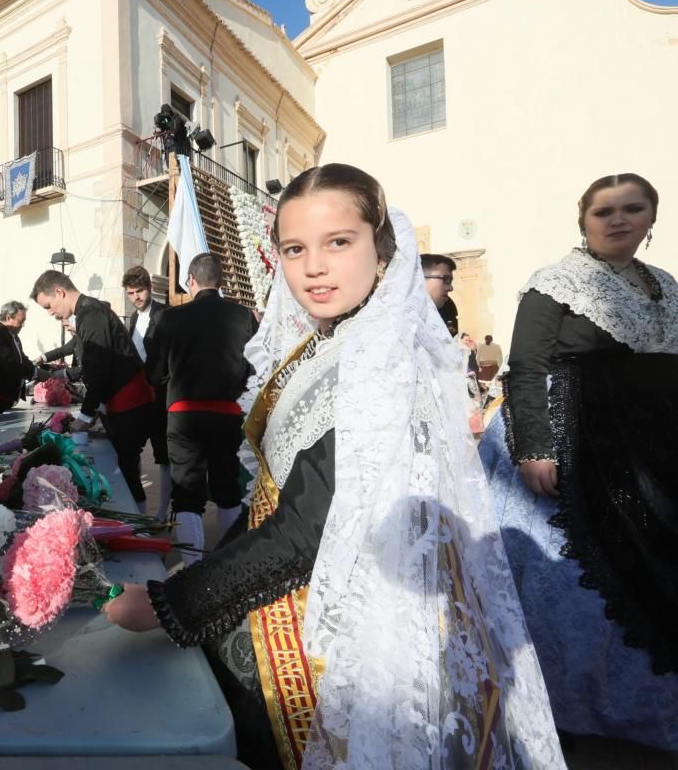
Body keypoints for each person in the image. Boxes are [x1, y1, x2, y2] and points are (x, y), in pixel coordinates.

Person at [104, 164, 563, 769]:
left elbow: (304, 532)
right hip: (289, 592)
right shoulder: (334, 339)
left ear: (382, 247)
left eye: (338, 242)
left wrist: (174, 604)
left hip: (330, 626)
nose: (313, 266)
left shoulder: (381, 365)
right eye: (295, 249)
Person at [479, 173, 678, 750]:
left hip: (644, 444)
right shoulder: (556, 283)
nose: (618, 221)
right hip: (567, 432)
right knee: (573, 578)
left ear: (651, 217)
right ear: (583, 221)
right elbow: (526, 366)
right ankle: (565, 709)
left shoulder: (663, 286)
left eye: (632, 209)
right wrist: (535, 448)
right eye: (604, 212)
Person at [145, 253, 257, 561]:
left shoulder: (170, 317)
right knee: (227, 488)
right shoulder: (243, 315)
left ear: (191, 281)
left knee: (187, 493)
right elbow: (255, 366)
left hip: (184, 413)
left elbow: (154, 373)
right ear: (219, 282)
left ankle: (193, 567)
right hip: (228, 413)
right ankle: (229, 562)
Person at [31, 271, 152, 506]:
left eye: (48, 305)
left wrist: (86, 415)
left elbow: (99, 368)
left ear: (59, 292)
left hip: (129, 401)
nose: (50, 312)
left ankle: (139, 529)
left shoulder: (91, 313)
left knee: (127, 471)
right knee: (125, 467)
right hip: (120, 400)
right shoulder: (87, 312)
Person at [123, 265, 172, 520]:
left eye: (139, 291)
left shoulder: (165, 315)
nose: (136, 297)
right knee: (134, 449)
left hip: (160, 394)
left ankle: (163, 511)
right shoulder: (132, 318)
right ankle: (139, 504)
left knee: (163, 455)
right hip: (138, 394)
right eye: (131, 293)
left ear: (150, 289)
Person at [0, 300, 35, 413]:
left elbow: (22, 359)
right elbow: (9, 364)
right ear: (8, 318)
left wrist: (36, 370)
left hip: (9, 398)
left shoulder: (13, 336)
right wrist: (34, 373)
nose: (23, 325)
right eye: (21, 321)